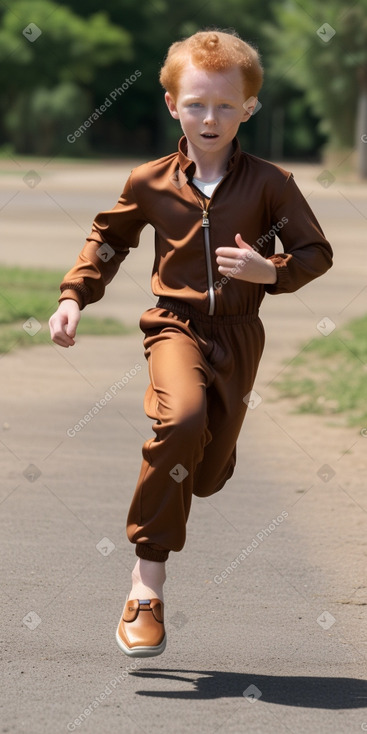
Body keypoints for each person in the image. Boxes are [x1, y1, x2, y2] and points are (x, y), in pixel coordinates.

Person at [49, 29, 333, 658]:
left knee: (202, 475)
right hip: (173, 325)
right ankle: (145, 589)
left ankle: (207, 447)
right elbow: (108, 240)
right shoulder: (150, 180)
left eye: (227, 106)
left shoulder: (271, 183)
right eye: (198, 103)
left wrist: (273, 272)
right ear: (173, 102)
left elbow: (316, 252)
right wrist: (73, 296)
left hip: (240, 334)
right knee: (180, 418)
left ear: (249, 109)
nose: (211, 118)